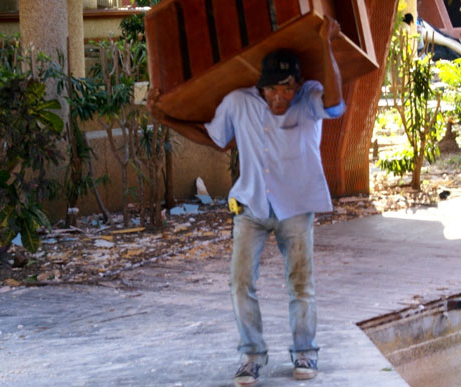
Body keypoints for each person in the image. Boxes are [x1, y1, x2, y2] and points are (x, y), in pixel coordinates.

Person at [148, 15, 345, 386]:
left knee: (301, 285)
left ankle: (306, 354)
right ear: (261, 88)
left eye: (286, 88)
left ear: (297, 84)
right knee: (240, 283)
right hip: (251, 208)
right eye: (271, 89)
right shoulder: (239, 103)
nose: (279, 97)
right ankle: (251, 356)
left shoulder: (311, 98)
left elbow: (336, 105)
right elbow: (214, 137)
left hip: (296, 209)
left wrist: (327, 43)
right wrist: (166, 119)